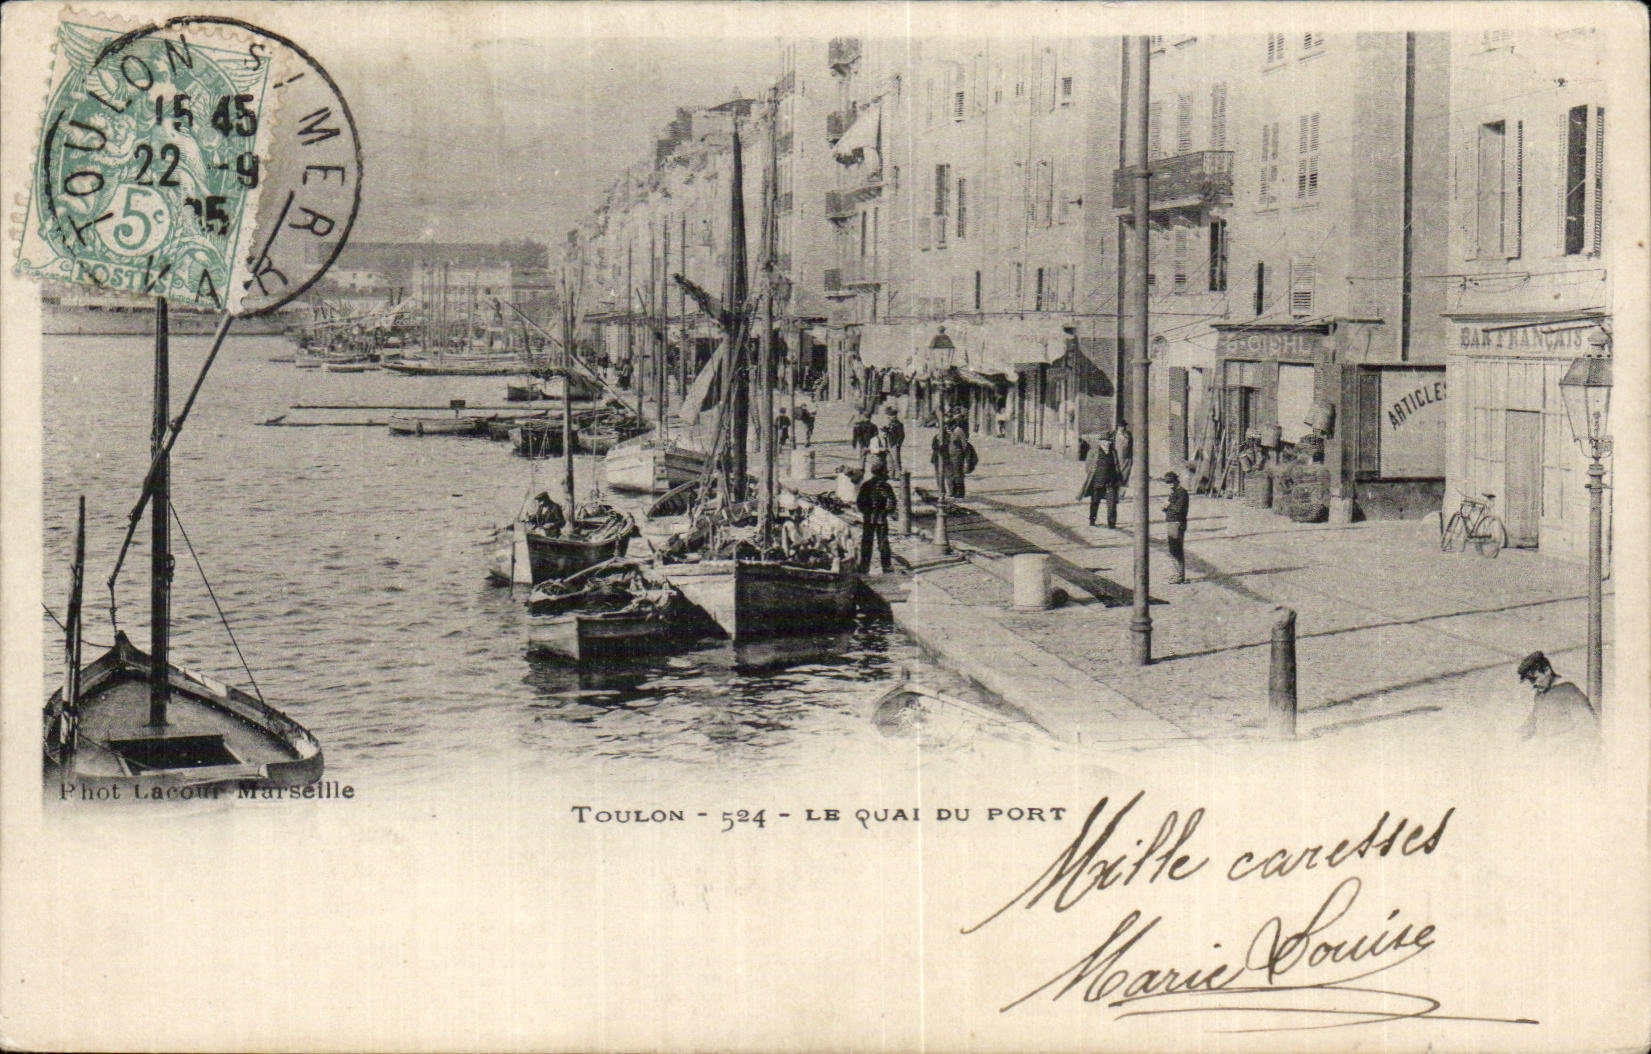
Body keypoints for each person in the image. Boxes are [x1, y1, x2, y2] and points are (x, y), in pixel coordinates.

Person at [1515, 652, 1599, 744]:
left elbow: (1588, 725)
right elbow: (1533, 721)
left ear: (1547, 670)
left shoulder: (1568, 691)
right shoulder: (1540, 695)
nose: (1533, 684)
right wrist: (1514, 737)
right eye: (1530, 681)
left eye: (1534, 679)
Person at [856, 460, 898, 574]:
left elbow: (859, 502)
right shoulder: (886, 486)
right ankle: (886, 566)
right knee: (883, 542)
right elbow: (892, 501)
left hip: (869, 518)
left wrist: (866, 512)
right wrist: (887, 511)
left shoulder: (866, 485)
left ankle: (864, 566)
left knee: (867, 542)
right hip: (881, 517)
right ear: (882, 473)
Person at [1077, 436, 1121, 528]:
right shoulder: (1093, 452)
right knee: (1095, 501)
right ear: (1100, 442)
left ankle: (1111, 523)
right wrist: (1095, 473)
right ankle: (1092, 520)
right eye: (1105, 441)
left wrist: (1118, 479)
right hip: (1097, 481)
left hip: (1110, 482)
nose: (1107, 443)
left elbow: (1117, 466)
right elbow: (1088, 466)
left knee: (1112, 502)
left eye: (1108, 441)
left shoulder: (1113, 452)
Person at [1162, 471, 1189, 583]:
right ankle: (1177, 574)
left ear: (1176, 481)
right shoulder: (1173, 492)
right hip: (1172, 522)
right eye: (1168, 483)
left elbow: (1178, 509)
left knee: (1176, 549)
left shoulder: (1182, 493)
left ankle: (1180, 576)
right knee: (1173, 549)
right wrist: (1165, 507)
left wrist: (1168, 506)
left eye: (1171, 482)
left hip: (1177, 523)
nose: (1170, 485)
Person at [946, 422, 973, 500]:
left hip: (958, 456)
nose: (948, 428)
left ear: (954, 425)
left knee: (958, 474)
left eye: (949, 426)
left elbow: (964, 445)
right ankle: (952, 491)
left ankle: (960, 493)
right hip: (950, 456)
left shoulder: (959, 431)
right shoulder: (949, 431)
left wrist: (964, 457)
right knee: (951, 474)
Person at [883, 406, 906, 476]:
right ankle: (891, 474)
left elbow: (902, 435)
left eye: (891, 416)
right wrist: (885, 431)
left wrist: (898, 443)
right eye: (889, 416)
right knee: (889, 460)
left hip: (894, 444)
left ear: (895, 416)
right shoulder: (890, 424)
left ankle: (898, 474)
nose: (889, 418)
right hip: (888, 443)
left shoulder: (899, 424)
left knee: (896, 460)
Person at [1114, 420, 1134, 488]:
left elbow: (1131, 445)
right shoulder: (1115, 435)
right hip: (1119, 455)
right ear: (1118, 427)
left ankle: (1124, 485)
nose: (1122, 428)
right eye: (1121, 426)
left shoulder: (1128, 434)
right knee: (1119, 470)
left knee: (1127, 471)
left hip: (1128, 456)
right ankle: (1119, 485)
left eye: (1124, 426)